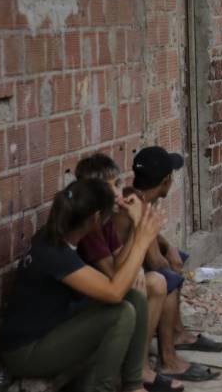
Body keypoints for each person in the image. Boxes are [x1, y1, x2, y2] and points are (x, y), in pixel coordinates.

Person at [0, 177, 164, 392]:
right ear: (96, 219)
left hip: (56, 327)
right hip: (26, 353)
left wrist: (136, 228)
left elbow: (119, 281)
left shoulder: (59, 237)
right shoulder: (55, 253)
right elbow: (113, 292)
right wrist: (142, 241)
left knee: (134, 298)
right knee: (120, 313)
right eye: (108, 215)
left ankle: (133, 385)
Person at [74, 154, 184, 391]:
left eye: (119, 183)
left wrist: (137, 228)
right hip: (87, 299)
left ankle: (141, 367)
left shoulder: (106, 221)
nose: (118, 192)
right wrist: (142, 231)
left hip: (107, 287)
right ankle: (135, 373)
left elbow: (120, 260)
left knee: (155, 282)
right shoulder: (91, 226)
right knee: (152, 282)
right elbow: (115, 274)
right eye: (112, 186)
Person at [131, 146, 222, 383]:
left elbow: (153, 239)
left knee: (176, 259)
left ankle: (178, 333)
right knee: (169, 278)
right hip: (127, 274)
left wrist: (170, 249)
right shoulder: (138, 206)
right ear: (166, 181)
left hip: (132, 267)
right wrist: (170, 264)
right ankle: (168, 359)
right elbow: (154, 260)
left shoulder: (136, 196)